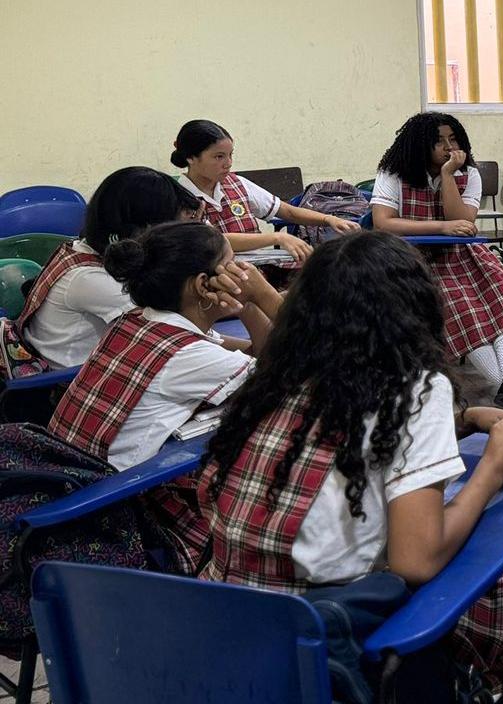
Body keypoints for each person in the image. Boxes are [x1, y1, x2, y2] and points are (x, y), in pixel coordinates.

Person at [201, 232, 503, 695]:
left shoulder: (280, 375)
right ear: (416, 310)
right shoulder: (416, 387)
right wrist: (495, 468)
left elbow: (351, 430)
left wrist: (463, 420)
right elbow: (416, 561)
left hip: (226, 626)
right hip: (327, 636)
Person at [47, 221, 279, 574]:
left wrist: (245, 306)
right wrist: (262, 295)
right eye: (236, 265)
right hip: (116, 511)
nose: (246, 273)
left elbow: (259, 353)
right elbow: (306, 361)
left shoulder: (140, 319)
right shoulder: (189, 356)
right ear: (203, 285)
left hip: (72, 484)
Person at [371, 112, 503, 417]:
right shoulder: (393, 173)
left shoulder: (469, 174)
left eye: (453, 140)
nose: (447, 147)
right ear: (418, 145)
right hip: (411, 260)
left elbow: (461, 220)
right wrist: (439, 228)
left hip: (459, 253)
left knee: (498, 283)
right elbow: (382, 224)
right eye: (438, 141)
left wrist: (448, 175)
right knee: (458, 304)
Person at [18, 166, 202, 369]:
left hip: (98, 365)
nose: (182, 232)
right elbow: (179, 336)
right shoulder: (92, 278)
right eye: (177, 224)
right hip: (68, 383)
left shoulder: (85, 248)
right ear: (148, 227)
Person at [172, 119, 357, 263]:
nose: (228, 163)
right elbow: (216, 240)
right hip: (222, 275)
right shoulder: (179, 198)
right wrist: (276, 237)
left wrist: (329, 219)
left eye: (230, 155)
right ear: (191, 157)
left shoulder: (236, 183)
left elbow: (287, 211)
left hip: (259, 267)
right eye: (219, 156)